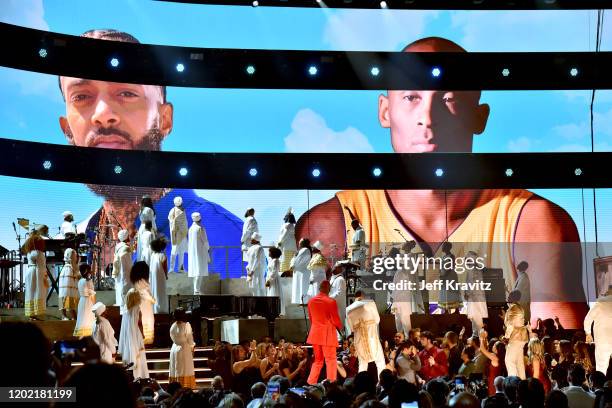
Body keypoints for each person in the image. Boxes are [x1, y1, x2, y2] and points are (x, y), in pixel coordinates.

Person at [295, 36, 587, 329]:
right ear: (385, 111)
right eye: (411, 97)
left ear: (479, 116)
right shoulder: (332, 222)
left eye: (449, 99)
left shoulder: (534, 222)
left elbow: (559, 349)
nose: (428, 118)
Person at [59, 29, 242, 277]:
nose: (102, 114)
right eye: (81, 96)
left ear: (164, 119)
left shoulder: (230, 238)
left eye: (126, 93)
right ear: (67, 128)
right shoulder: (76, 241)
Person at [306, 280, 343, 384]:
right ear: (329, 289)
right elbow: (335, 320)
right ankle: (331, 384)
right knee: (331, 360)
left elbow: (311, 319)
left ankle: (310, 383)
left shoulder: (311, 301)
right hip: (327, 335)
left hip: (315, 334)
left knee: (318, 361)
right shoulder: (330, 301)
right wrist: (340, 328)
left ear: (319, 288)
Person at [346, 290, 386, 376]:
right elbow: (377, 320)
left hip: (359, 340)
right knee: (380, 362)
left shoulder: (348, 309)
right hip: (372, 338)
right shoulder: (370, 303)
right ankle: (382, 385)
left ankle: (362, 385)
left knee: (362, 364)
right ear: (363, 296)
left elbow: (352, 329)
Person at [392, 240, 424, 336]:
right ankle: (400, 335)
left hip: (405, 293)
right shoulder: (399, 271)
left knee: (405, 317)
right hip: (397, 295)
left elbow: (411, 272)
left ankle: (406, 337)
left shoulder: (410, 256)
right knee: (397, 316)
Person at [118, 287, 149, 379]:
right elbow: (139, 323)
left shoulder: (125, 309)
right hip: (135, 333)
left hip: (128, 335)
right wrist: (143, 334)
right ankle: (141, 375)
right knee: (139, 353)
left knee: (132, 353)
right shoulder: (137, 308)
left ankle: (132, 375)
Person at [583, 285, 612, 373]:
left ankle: (601, 384)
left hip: (603, 341)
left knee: (602, 365)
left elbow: (588, 319)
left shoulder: (600, 303)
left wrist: (588, 333)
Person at [22, 233, 48, 320]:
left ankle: (31, 314)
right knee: (38, 291)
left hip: (30, 272)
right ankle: (35, 313)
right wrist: (45, 275)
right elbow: (42, 265)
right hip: (37, 273)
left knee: (31, 291)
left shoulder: (29, 253)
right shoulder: (39, 253)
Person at [168, 308, 196, 388]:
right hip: (184, 349)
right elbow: (190, 339)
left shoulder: (173, 326)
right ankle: (185, 386)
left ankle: (175, 387)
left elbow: (172, 337)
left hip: (174, 348)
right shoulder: (186, 325)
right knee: (184, 369)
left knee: (176, 368)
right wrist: (192, 347)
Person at [464, 251, 488, 336]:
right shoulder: (477, 269)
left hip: (475, 300)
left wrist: (467, 293)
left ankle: (477, 338)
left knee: (476, 321)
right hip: (476, 299)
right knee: (476, 321)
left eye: (467, 259)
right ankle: (477, 337)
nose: (465, 261)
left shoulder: (473, 270)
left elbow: (471, 285)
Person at [131, 261, 156, 345]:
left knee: (143, 320)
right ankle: (146, 340)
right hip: (146, 305)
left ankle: (142, 338)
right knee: (147, 320)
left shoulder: (135, 282)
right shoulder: (143, 282)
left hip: (141, 305)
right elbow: (146, 293)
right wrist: (152, 299)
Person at [504, 304, 529, 379]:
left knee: (521, 377)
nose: (523, 320)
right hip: (511, 357)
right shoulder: (511, 328)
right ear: (513, 319)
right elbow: (506, 339)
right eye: (521, 318)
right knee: (515, 379)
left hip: (518, 355)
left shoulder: (523, 329)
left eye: (523, 318)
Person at [479, 330, 507, 396]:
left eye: (494, 345)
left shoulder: (494, 357)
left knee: (492, 395)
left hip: (492, 382)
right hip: (494, 381)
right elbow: (486, 348)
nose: (493, 346)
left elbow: (482, 349)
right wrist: (485, 338)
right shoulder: (498, 357)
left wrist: (481, 339)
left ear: (497, 349)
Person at [187, 212, 210, 295]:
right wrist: (208, 248)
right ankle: (196, 290)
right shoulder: (200, 228)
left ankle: (196, 289)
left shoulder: (190, 229)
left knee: (196, 271)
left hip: (193, 252)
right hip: (200, 252)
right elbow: (205, 241)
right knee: (199, 271)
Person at [112, 229, 133, 314]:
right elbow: (128, 263)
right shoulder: (126, 248)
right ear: (126, 237)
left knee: (120, 290)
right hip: (125, 273)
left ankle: (121, 310)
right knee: (125, 291)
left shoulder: (118, 246)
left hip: (118, 273)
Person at [438, 242, 462, 313]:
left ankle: (456, 309)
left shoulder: (451, 256)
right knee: (445, 291)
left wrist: (444, 275)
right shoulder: (443, 257)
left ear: (448, 247)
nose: (442, 248)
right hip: (444, 276)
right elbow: (441, 266)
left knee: (452, 291)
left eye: (444, 246)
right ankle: (446, 308)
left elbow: (451, 266)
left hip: (450, 276)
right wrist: (440, 273)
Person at [73, 263, 96, 338]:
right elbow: (91, 294)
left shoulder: (80, 281)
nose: (91, 272)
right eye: (89, 271)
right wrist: (94, 304)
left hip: (82, 301)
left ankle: (82, 335)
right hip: (88, 301)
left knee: (82, 318)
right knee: (88, 317)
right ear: (86, 271)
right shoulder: (87, 281)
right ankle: (88, 336)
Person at [168, 196, 188, 272]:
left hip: (182, 234)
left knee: (181, 251)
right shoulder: (172, 211)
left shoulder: (183, 210)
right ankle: (171, 268)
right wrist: (176, 222)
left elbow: (185, 222)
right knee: (174, 252)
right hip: (176, 234)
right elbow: (171, 221)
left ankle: (181, 268)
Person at [58, 247, 79, 320]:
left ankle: (69, 315)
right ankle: (64, 315)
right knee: (65, 292)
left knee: (68, 293)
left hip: (68, 274)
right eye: (74, 256)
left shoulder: (72, 267)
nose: (75, 258)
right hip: (67, 275)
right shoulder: (69, 268)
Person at [149, 237, 168, 314]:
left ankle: (154, 309)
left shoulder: (153, 255)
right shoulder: (163, 256)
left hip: (153, 276)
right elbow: (165, 268)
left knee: (154, 290)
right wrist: (166, 275)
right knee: (160, 292)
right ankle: (161, 309)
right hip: (160, 276)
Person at [290, 238, 312, 304]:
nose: (299, 243)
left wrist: (294, 260)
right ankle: (300, 301)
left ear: (303, 243)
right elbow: (295, 261)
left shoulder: (305, 250)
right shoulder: (301, 251)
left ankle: (303, 302)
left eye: (300, 241)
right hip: (299, 272)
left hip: (303, 272)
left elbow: (298, 262)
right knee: (299, 286)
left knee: (302, 286)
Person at [329, 262, 347, 335]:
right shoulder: (333, 279)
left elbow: (340, 293)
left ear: (340, 269)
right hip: (332, 304)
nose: (333, 268)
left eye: (336, 267)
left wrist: (329, 298)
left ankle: (340, 338)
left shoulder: (340, 280)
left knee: (339, 321)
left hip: (338, 305)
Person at [278, 208, 297, 273]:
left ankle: (285, 272)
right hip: (292, 245)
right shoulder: (293, 225)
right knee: (291, 259)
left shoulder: (287, 225)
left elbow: (284, 234)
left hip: (287, 245)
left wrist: (280, 242)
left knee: (286, 260)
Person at [136, 198, 156, 262]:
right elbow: (151, 221)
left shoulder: (141, 210)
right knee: (149, 245)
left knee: (142, 245)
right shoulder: (149, 210)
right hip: (148, 227)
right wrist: (154, 229)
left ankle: (141, 261)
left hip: (141, 227)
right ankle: (149, 263)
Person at [266, 247, 284, 315]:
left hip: (274, 280)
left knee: (274, 293)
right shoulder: (272, 261)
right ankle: (272, 310)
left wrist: (269, 280)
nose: (269, 253)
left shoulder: (276, 261)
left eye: (270, 252)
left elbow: (274, 272)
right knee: (271, 294)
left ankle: (276, 311)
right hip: (271, 280)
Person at [246, 232, 266, 297]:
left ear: (255, 240)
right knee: (253, 288)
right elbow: (249, 261)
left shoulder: (259, 248)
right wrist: (248, 269)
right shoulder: (250, 249)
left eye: (252, 238)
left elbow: (257, 260)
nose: (250, 239)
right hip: (251, 272)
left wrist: (252, 271)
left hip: (257, 271)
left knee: (259, 287)